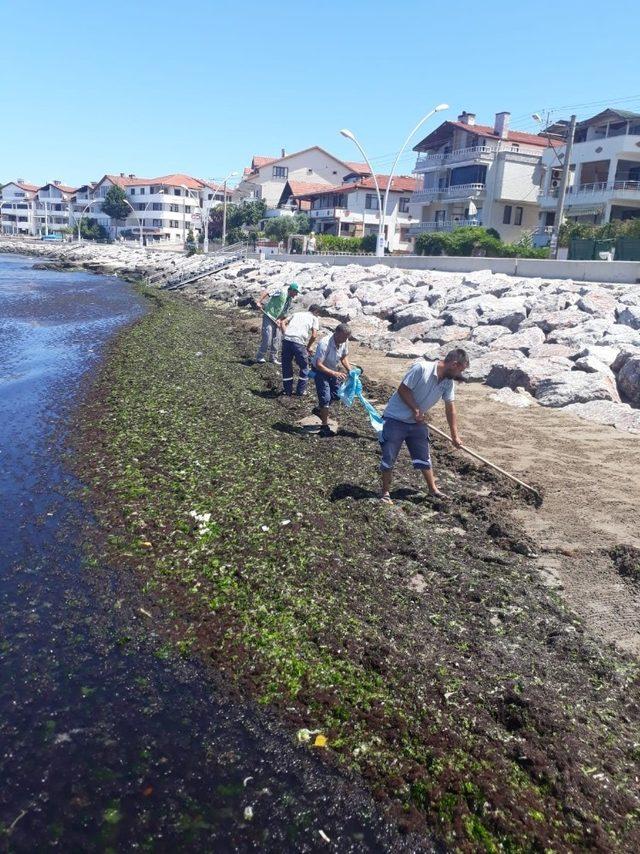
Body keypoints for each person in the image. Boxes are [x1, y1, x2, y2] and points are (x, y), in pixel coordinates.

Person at [379, 348, 469, 504]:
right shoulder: (421, 368)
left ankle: (432, 489)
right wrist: (415, 409)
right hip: (395, 418)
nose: (459, 376)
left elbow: (450, 408)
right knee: (389, 456)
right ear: (454, 364)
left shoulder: (448, 382)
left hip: (417, 422)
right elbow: (403, 389)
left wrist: (455, 435)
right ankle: (385, 492)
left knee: (424, 455)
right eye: (460, 370)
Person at [312, 324, 352, 437]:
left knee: (336, 394)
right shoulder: (324, 343)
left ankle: (319, 410)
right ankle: (324, 426)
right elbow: (319, 364)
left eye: (346, 338)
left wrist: (349, 370)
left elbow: (343, 357)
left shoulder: (344, 341)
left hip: (333, 368)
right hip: (321, 370)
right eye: (344, 337)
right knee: (325, 397)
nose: (345, 340)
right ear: (337, 333)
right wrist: (335, 373)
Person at [280, 304, 321, 397]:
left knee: (286, 365)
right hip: (298, 343)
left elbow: (282, 322)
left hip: (286, 341)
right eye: (318, 314)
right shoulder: (314, 318)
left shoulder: (297, 314)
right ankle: (300, 391)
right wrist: (308, 347)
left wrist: (285, 333)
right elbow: (314, 335)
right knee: (304, 366)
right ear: (316, 312)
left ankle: (287, 391)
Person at [255, 282, 300, 365]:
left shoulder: (289, 300)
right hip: (269, 316)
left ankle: (273, 358)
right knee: (267, 337)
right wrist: (259, 302)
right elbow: (267, 293)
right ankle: (260, 357)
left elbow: (285, 312)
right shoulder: (281, 291)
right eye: (296, 292)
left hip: (277, 320)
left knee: (277, 339)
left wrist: (280, 320)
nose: (296, 294)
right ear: (292, 290)